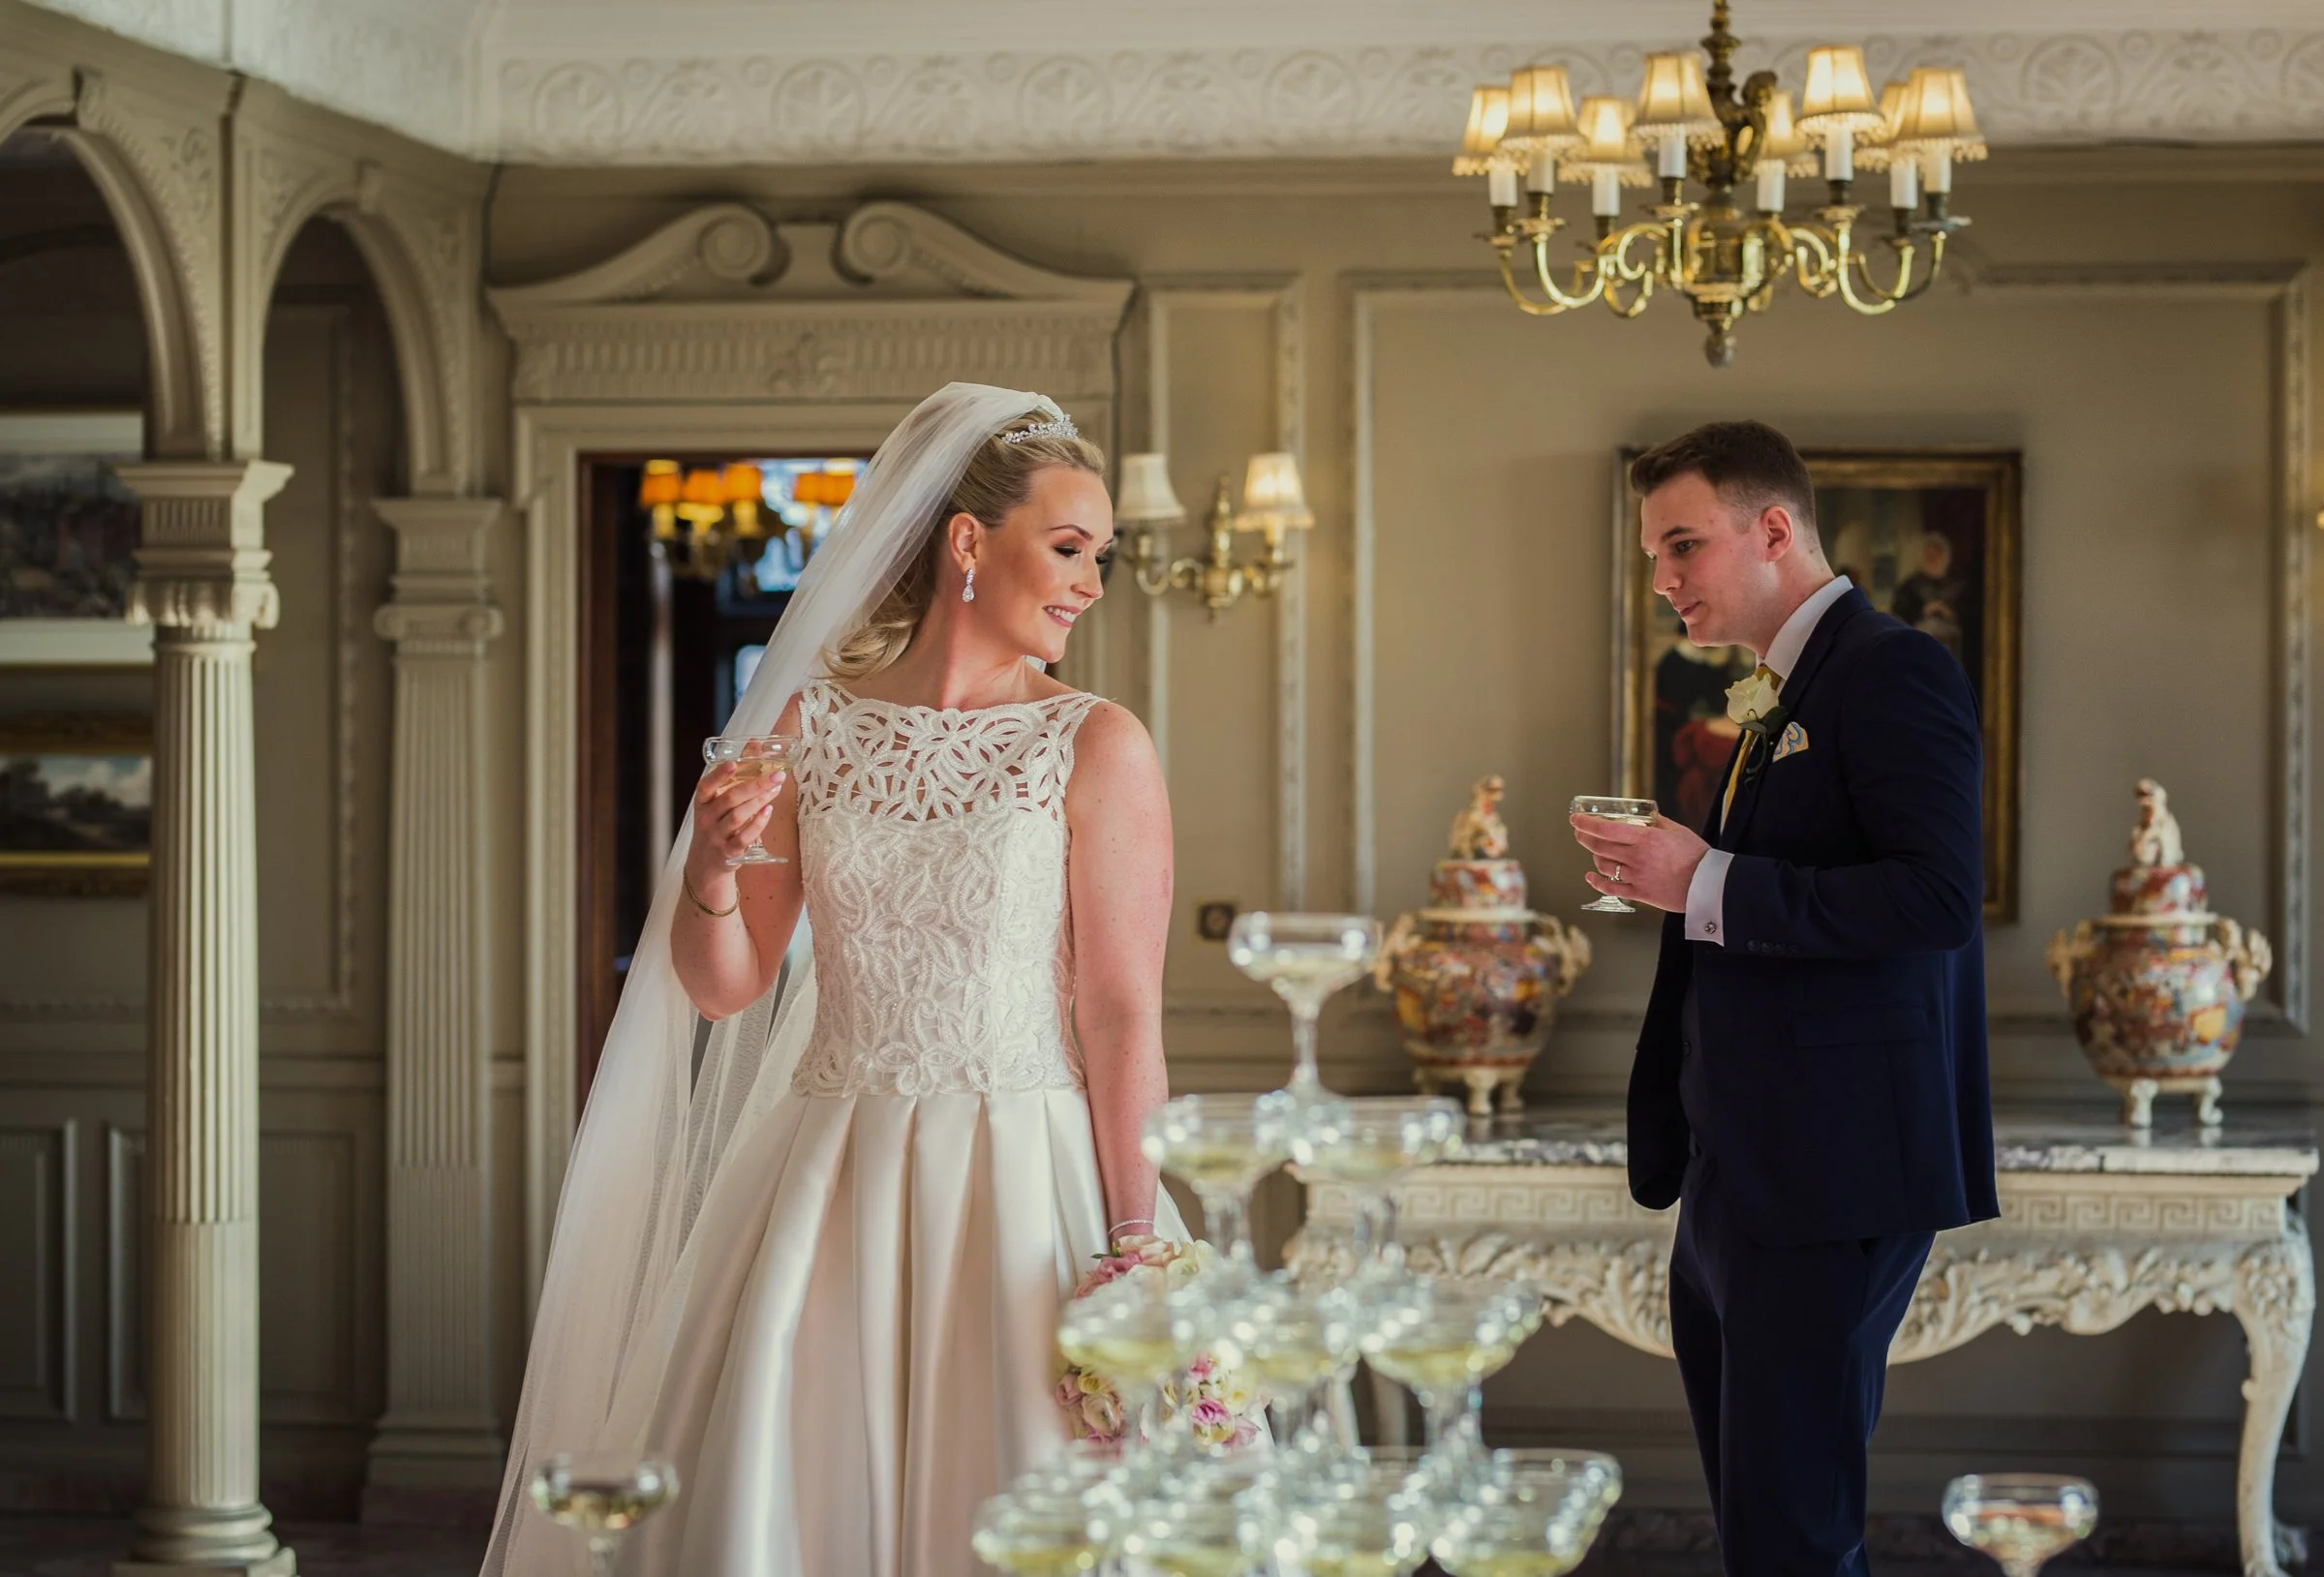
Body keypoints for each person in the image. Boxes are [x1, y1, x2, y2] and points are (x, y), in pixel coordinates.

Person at [480, 383, 1184, 1577]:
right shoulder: (814, 728)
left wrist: (1136, 1244)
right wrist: (709, 868)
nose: (1089, 583)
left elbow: (1120, 1009)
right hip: (826, 1170)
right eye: (1069, 548)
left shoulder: (1096, 742)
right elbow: (725, 986)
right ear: (971, 541)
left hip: (1028, 1171)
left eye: (1101, 557)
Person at [1571, 420, 1996, 1577]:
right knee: (1760, 1526)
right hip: (1739, 1168)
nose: (1663, 580)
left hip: (1826, 1170)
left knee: (1794, 1539)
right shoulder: (1782, 687)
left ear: (1772, 529)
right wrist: (1681, 875)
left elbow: (1939, 898)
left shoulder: (1891, 665)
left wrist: (1701, 878)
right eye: (1654, 555)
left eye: (1682, 546)